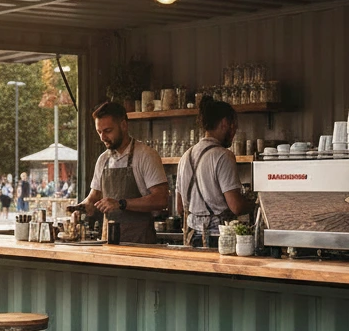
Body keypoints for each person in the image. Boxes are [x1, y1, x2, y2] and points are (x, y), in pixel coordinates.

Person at [73, 101, 168, 244]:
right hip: (109, 243)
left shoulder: (145, 155)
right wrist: (81, 208)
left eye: (108, 131)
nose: (102, 137)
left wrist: (121, 204)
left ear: (123, 125)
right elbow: (93, 197)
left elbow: (161, 199)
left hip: (141, 245)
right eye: (99, 132)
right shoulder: (103, 159)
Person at [177, 98, 252, 248]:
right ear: (225, 123)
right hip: (218, 239)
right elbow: (236, 206)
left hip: (191, 239)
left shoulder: (185, 156)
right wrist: (255, 205)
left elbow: (180, 208)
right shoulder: (223, 156)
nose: (234, 133)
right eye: (233, 127)